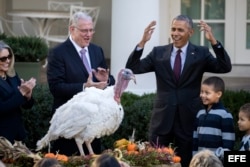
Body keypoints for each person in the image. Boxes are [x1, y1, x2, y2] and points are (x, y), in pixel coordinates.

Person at [125, 15, 232, 167]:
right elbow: (133, 67)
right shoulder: (158, 53)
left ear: (191, 32)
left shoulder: (201, 53)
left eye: (180, 30)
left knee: (188, 162)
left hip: (188, 119)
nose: (175, 33)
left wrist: (213, 41)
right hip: (162, 119)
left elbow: (225, 67)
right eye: (173, 29)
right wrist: (142, 42)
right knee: (154, 161)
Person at [47, 11, 115, 156]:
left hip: (92, 127)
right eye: (84, 30)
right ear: (72, 29)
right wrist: (85, 87)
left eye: (91, 30)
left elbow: (110, 81)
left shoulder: (97, 50)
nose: (88, 34)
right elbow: (56, 88)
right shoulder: (57, 53)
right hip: (69, 125)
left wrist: (105, 80)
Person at [0, 41, 36, 144]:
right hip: (2, 138)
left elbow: (26, 105)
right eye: (3, 58)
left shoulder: (12, 75)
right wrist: (21, 93)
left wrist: (28, 96)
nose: (8, 61)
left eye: (9, 56)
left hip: (18, 134)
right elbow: (2, 107)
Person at [192, 76, 235, 156]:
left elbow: (229, 142)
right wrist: (195, 156)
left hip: (217, 161)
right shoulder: (200, 114)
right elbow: (195, 138)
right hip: (200, 159)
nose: (202, 95)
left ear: (218, 94)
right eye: (202, 92)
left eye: (207, 93)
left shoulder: (225, 115)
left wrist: (220, 157)